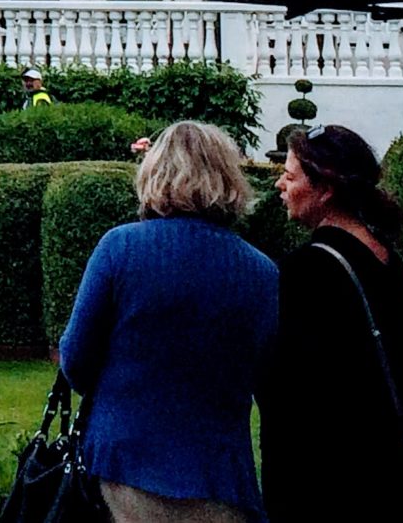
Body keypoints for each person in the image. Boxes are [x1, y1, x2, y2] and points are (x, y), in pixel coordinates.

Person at [59, 122, 277, 523]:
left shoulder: (120, 248)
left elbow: (75, 364)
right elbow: (267, 378)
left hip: (124, 467)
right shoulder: (262, 272)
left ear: (154, 173)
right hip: (221, 479)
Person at [261, 125, 403, 523]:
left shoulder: (308, 270)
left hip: (324, 477)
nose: (280, 184)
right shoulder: (386, 255)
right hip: (386, 465)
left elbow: (286, 380)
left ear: (325, 188)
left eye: (290, 174)